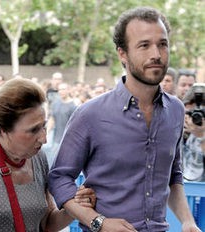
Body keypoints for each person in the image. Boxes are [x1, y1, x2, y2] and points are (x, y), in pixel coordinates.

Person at [48, 7, 201, 232]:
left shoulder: (176, 110)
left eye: (162, 44)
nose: (156, 54)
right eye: (144, 45)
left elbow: (173, 174)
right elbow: (59, 178)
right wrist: (99, 222)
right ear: (122, 53)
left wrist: (188, 221)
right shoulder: (90, 114)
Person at [0, 78, 97, 231]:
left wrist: (76, 207)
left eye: (43, 126)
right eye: (33, 130)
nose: (44, 139)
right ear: (4, 129)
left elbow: (47, 224)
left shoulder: (38, 158)